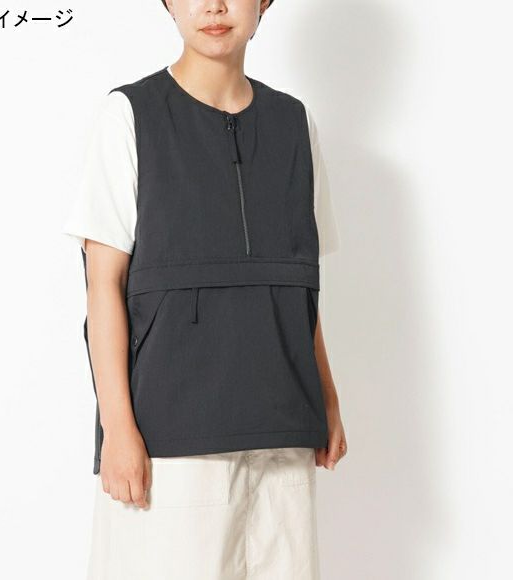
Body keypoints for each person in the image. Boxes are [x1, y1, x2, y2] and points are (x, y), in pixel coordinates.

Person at [62, 1, 347, 578]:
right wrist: (118, 430)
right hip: (171, 441)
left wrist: (327, 397)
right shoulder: (129, 116)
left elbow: (298, 283)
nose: (214, 5)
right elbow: (103, 285)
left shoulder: (295, 123)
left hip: (282, 432)